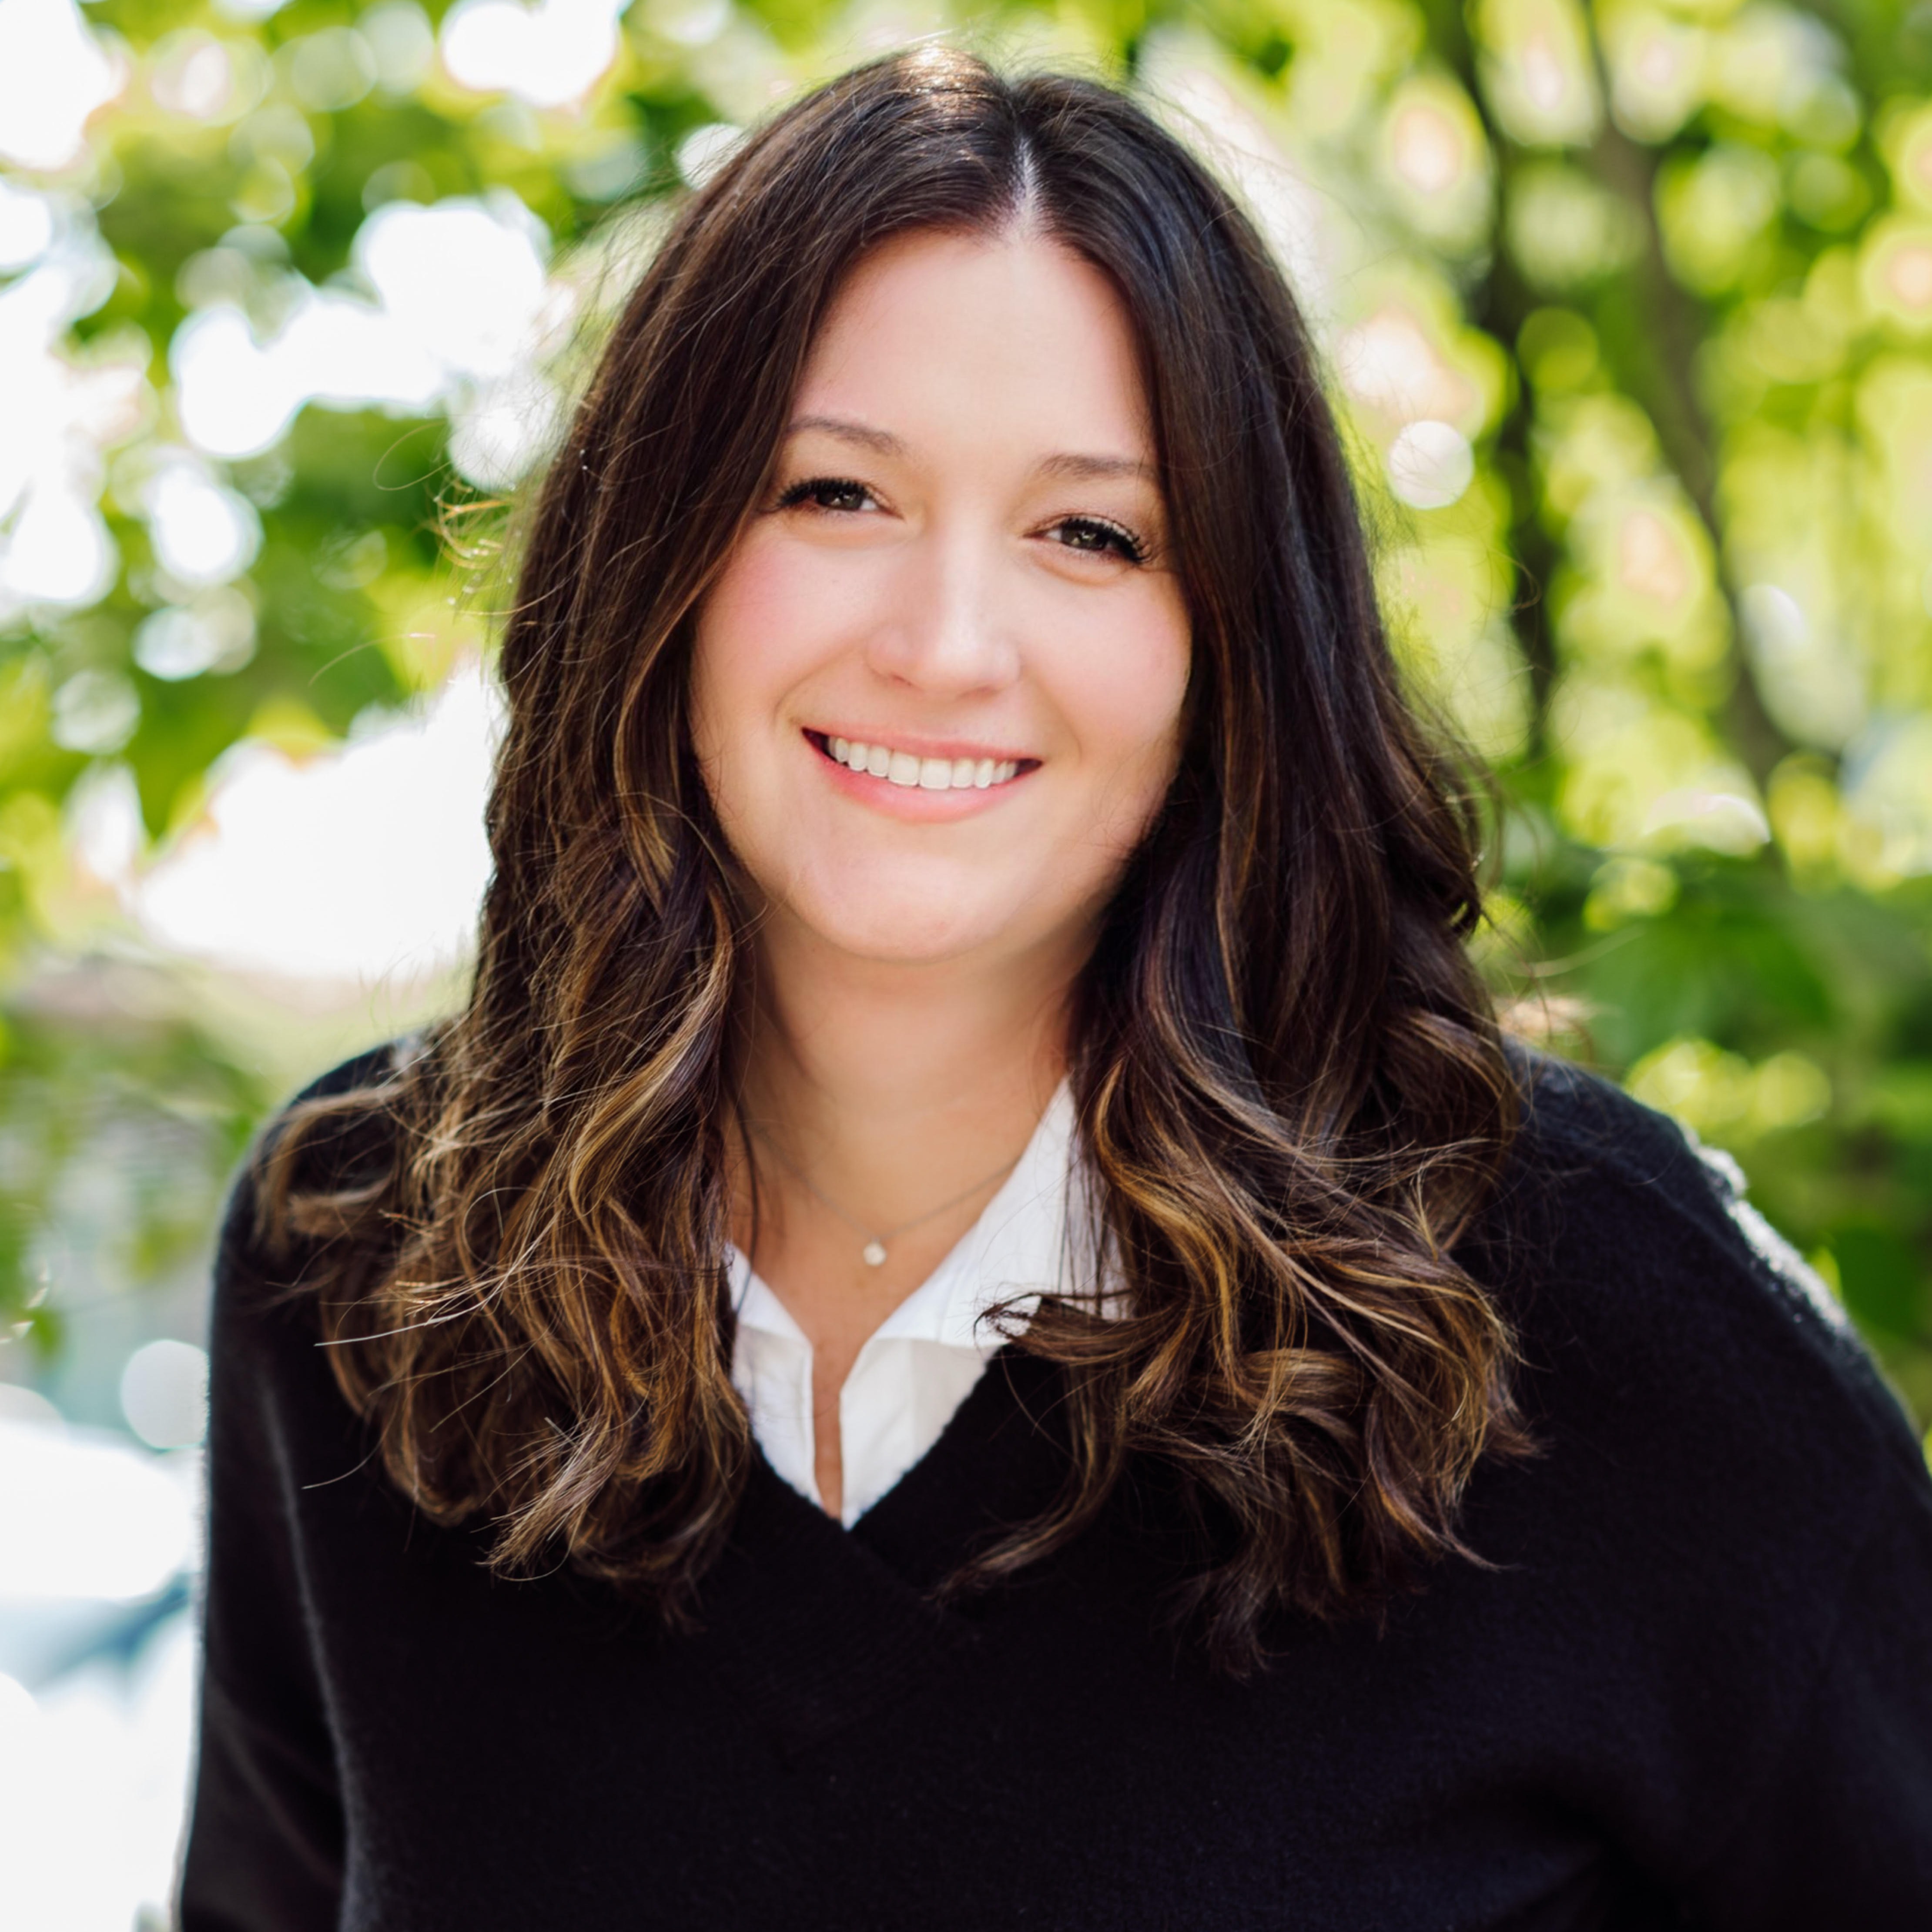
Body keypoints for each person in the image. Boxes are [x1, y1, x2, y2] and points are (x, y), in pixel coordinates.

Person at [177, 45, 1932, 1930]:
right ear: (656, 557)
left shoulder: (1607, 1323)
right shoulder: (365, 1260)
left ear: (1235, 640)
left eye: (1090, 533)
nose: (943, 644)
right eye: (832, 494)